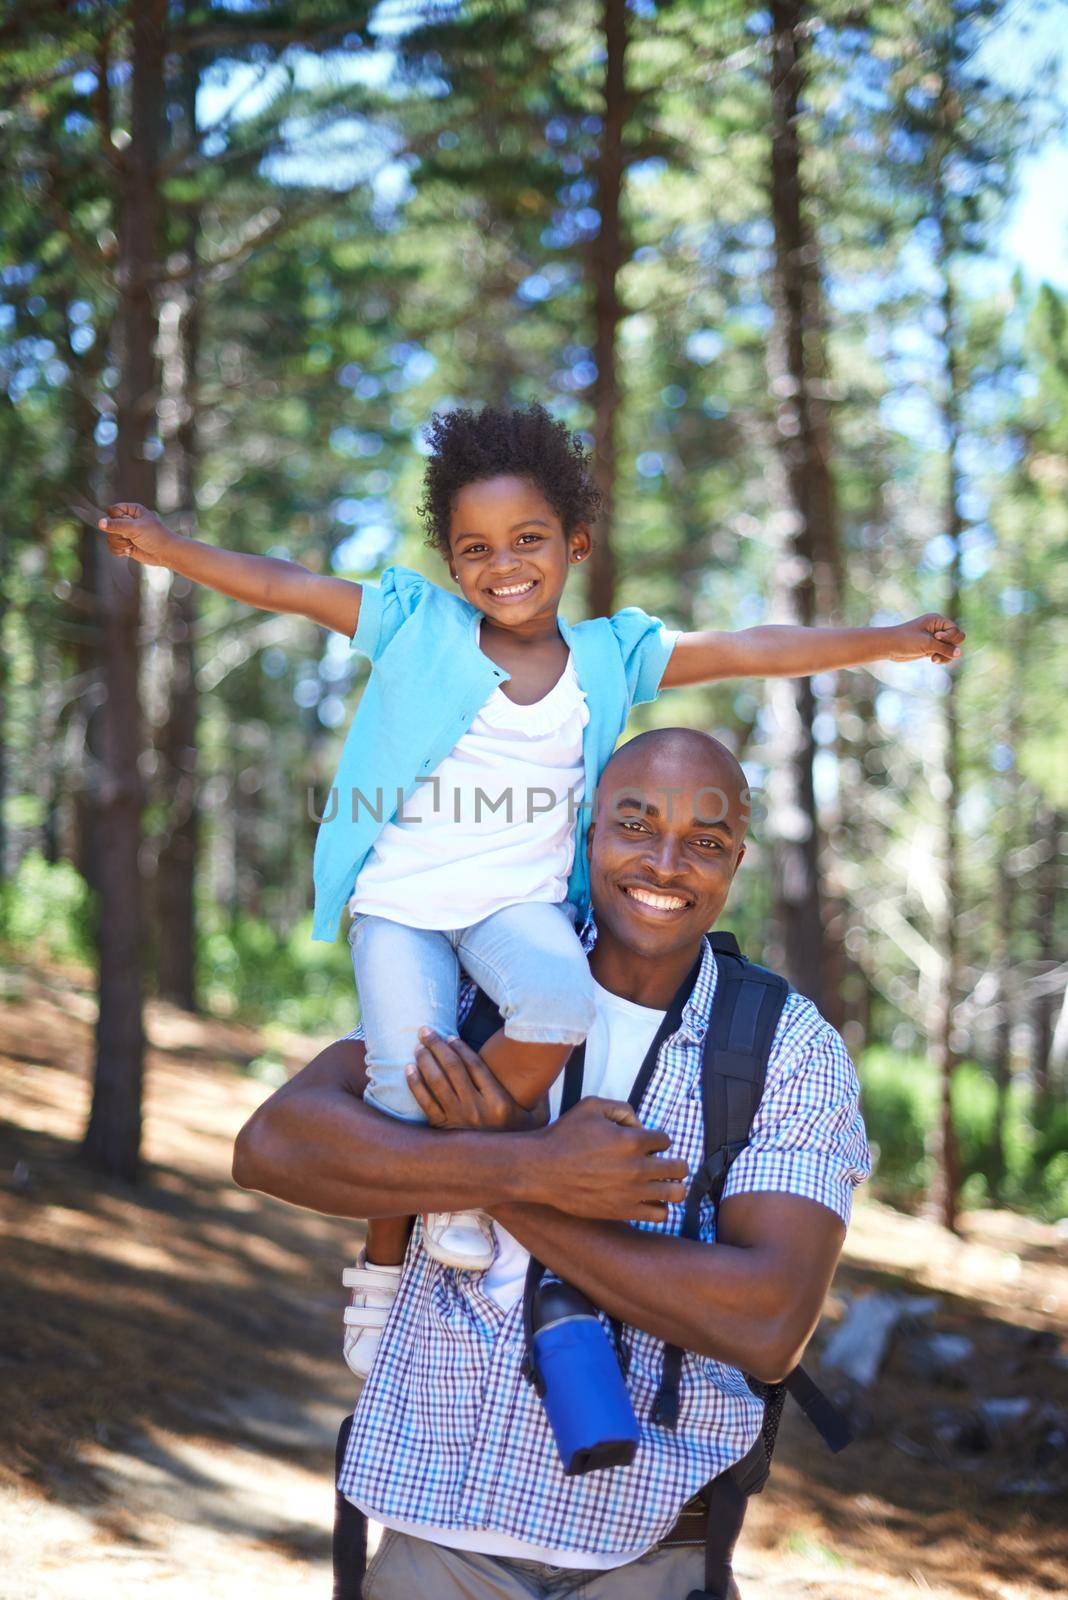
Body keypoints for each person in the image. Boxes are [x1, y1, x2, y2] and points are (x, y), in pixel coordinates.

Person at [100, 403, 958, 1374]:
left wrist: (887, 641)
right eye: (474, 547)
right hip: (407, 906)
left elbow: (751, 645)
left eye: (528, 540)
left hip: (519, 907)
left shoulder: (611, 656)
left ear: (575, 542)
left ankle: (467, 1182)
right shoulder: (416, 621)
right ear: (449, 559)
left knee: (561, 1001)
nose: (502, 564)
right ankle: (382, 1271)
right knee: (399, 1087)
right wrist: (169, 548)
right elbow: (285, 585)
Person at [233, 728, 872, 1600]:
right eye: (636, 826)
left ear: (736, 864)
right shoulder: (486, 975)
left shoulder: (786, 1049)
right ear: (587, 830)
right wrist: (533, 1167)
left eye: (707, 843)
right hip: (430, 1542)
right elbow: (275, 1145)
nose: (666, 863)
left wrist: (497, 1170)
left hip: (650, 1558)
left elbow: (769, 1324)